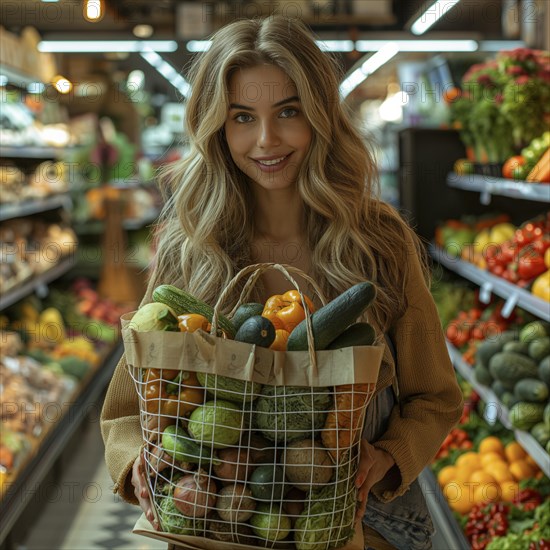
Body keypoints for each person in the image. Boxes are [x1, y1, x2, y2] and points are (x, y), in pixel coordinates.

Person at [101, 15, 463, 550]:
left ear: (319, 116)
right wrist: (136, 464)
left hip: (356, 522)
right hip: (221, 524)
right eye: (242, 116)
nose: (266, 140)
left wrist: (389, 455)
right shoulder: (190, 246)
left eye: (288, 112)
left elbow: (435, 396)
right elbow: (128, 406)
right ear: (217, 127)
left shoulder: (378, 241)